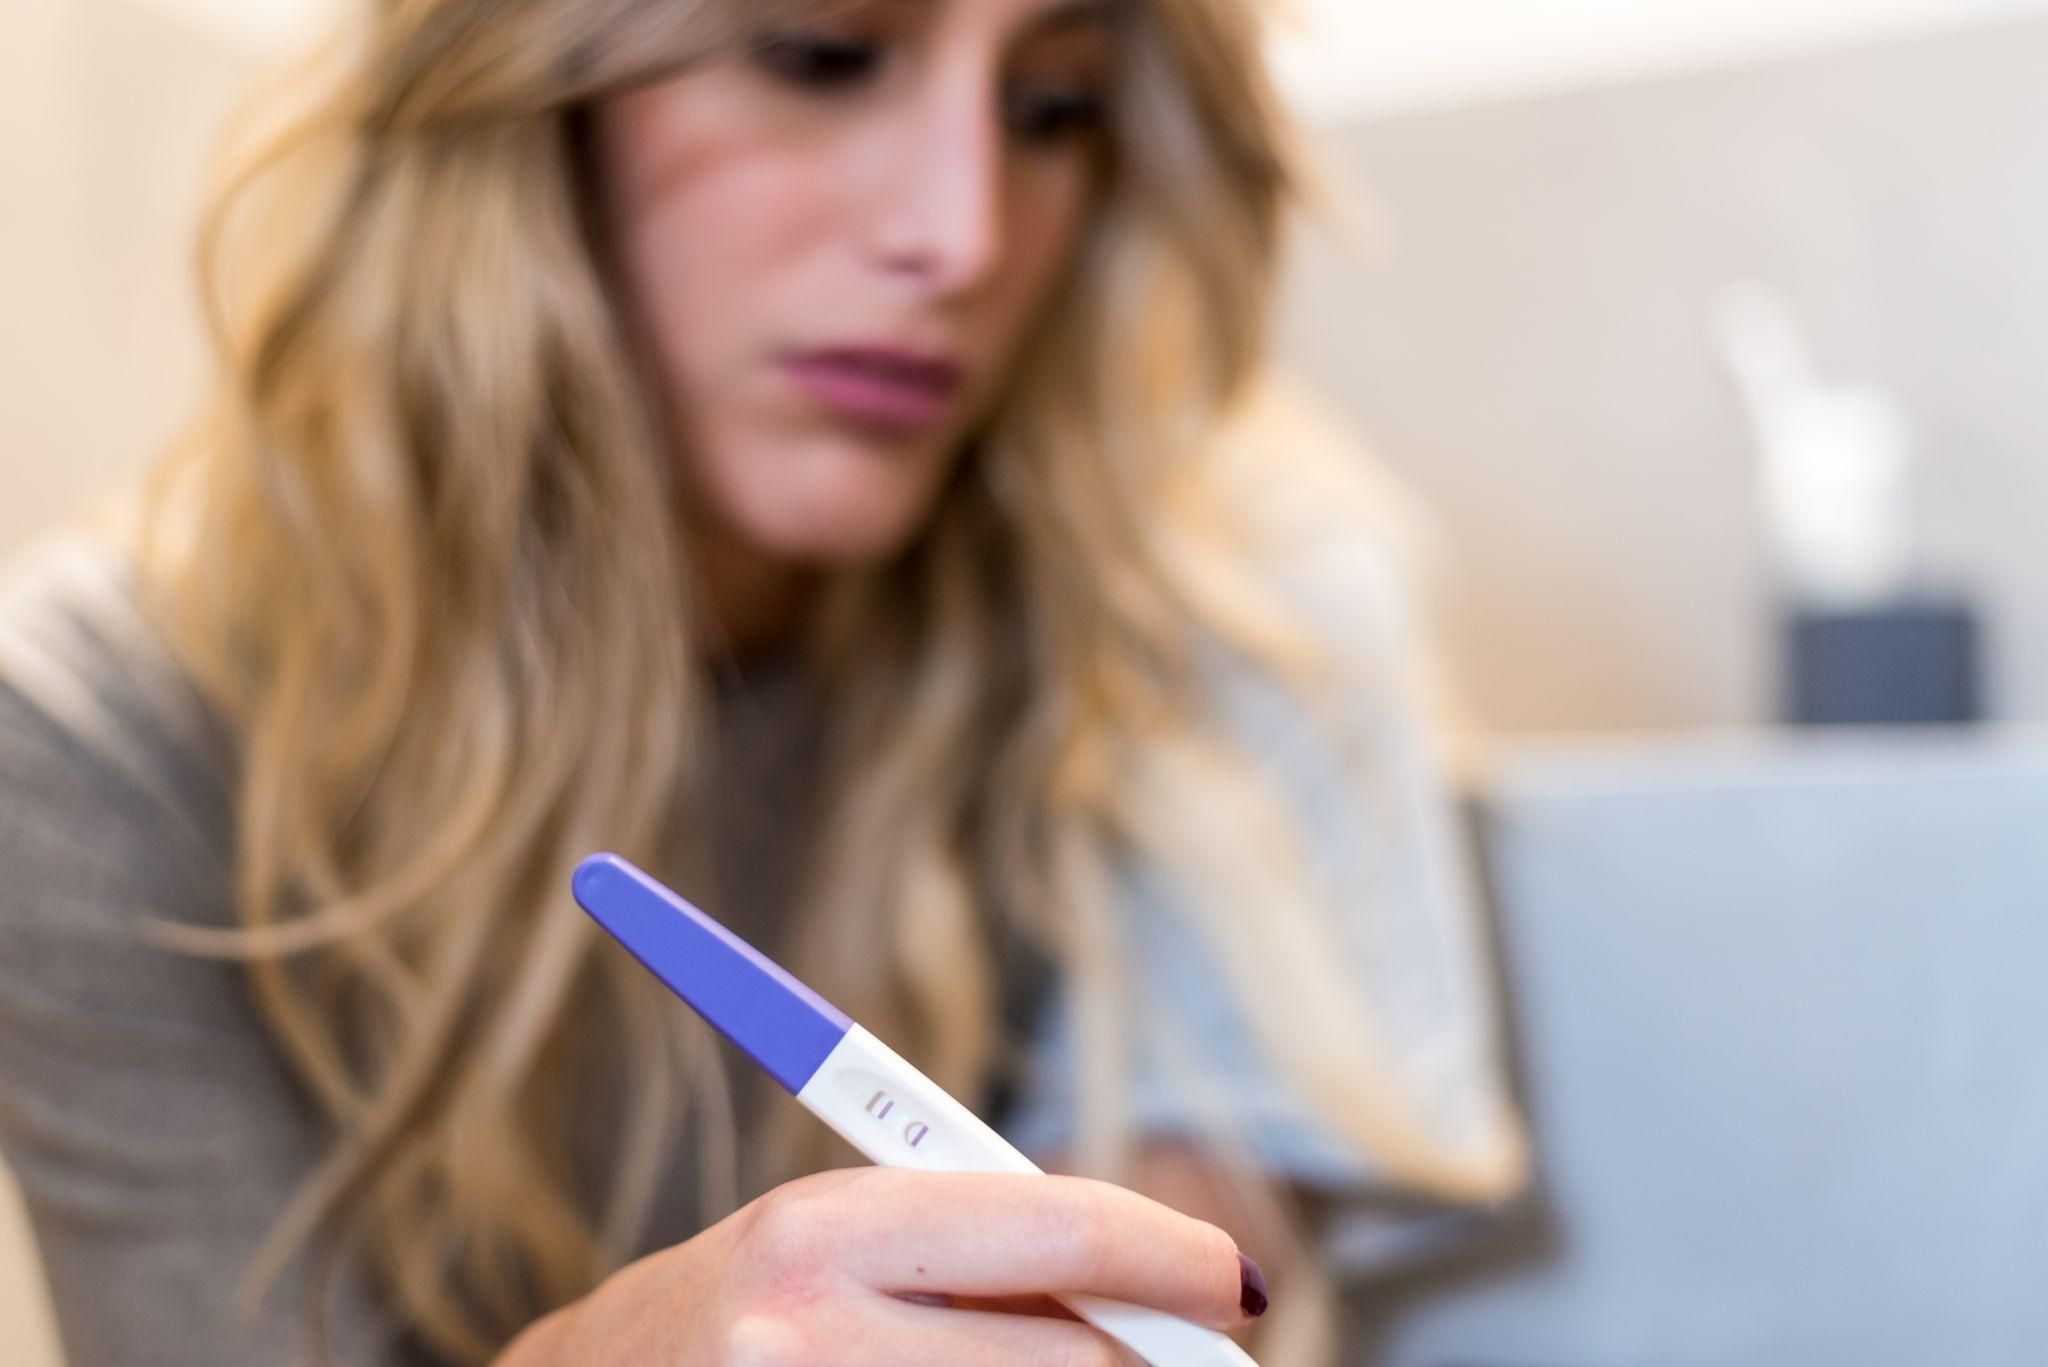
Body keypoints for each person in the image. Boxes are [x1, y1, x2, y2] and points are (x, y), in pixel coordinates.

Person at [0, 0, 1527, 1363]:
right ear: (526, 85)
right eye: (823, 54)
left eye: (1053, 102)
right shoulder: (91, 735)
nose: (962, 234)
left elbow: (1145, 1306)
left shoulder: (1232, 615)